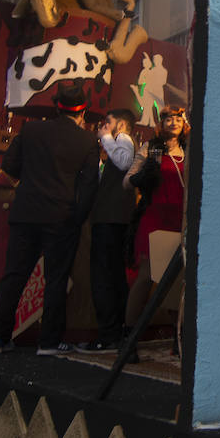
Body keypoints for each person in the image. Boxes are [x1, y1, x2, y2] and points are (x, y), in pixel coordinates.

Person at [0, 82, 100, 355]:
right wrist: (77, 218)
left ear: (56, 107)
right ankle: (48, 342)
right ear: (82, 111)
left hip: (26, 212)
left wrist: (30, 182)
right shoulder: (87, 141)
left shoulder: (31, 129)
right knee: (56, 279)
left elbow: (9, 165)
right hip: (61, 217)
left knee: (14, 275)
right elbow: (88, 188)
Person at [125, 106, 190, 332]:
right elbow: (128, 180)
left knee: (176, 280)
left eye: (177, 119)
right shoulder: (152, 149)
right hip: (154, 219)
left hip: (180, 221)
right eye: (168, 119)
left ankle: (178, 336)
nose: (173, 122)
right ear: (161, 124)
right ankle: (129, 335)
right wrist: (141, 178)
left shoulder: (190, 152)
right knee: (146, 277)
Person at [82, 108, 137, 353]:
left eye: (108, 122)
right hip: (113, 219)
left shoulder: (122, 139)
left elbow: (124, 162)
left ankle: (108, 335)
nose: (104, 126)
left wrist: (105, 138)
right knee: (112, 276)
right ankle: (113, 332)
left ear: (122, 124)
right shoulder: (116, 144)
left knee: (104, 277)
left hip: (111, 219)